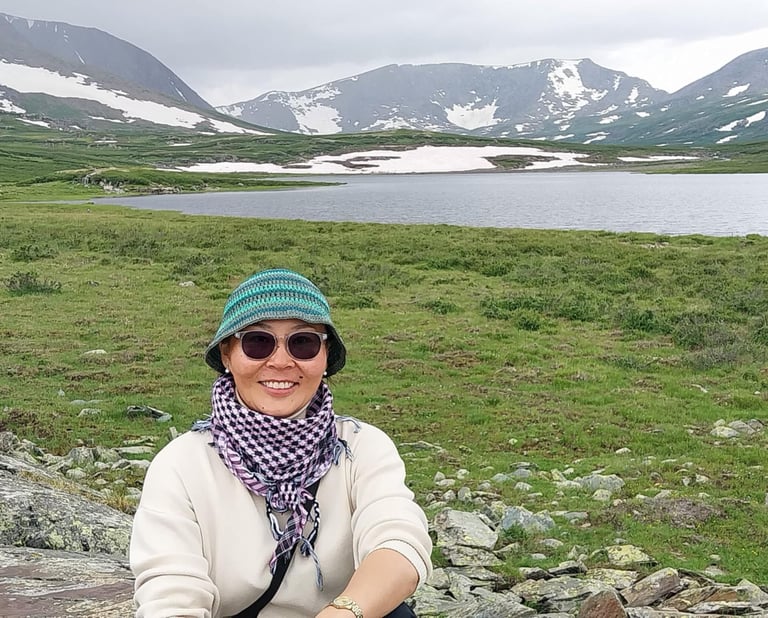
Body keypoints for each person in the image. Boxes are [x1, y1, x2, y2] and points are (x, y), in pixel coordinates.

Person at [129, 268, 433, 618]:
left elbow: (399, 542)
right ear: (227, 354)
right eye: (257, 342)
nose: (281, 362)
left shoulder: (361, 448)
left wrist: (344, 612)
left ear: (325, 355)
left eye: (303, 343)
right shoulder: (182, 465)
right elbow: (171, 598)